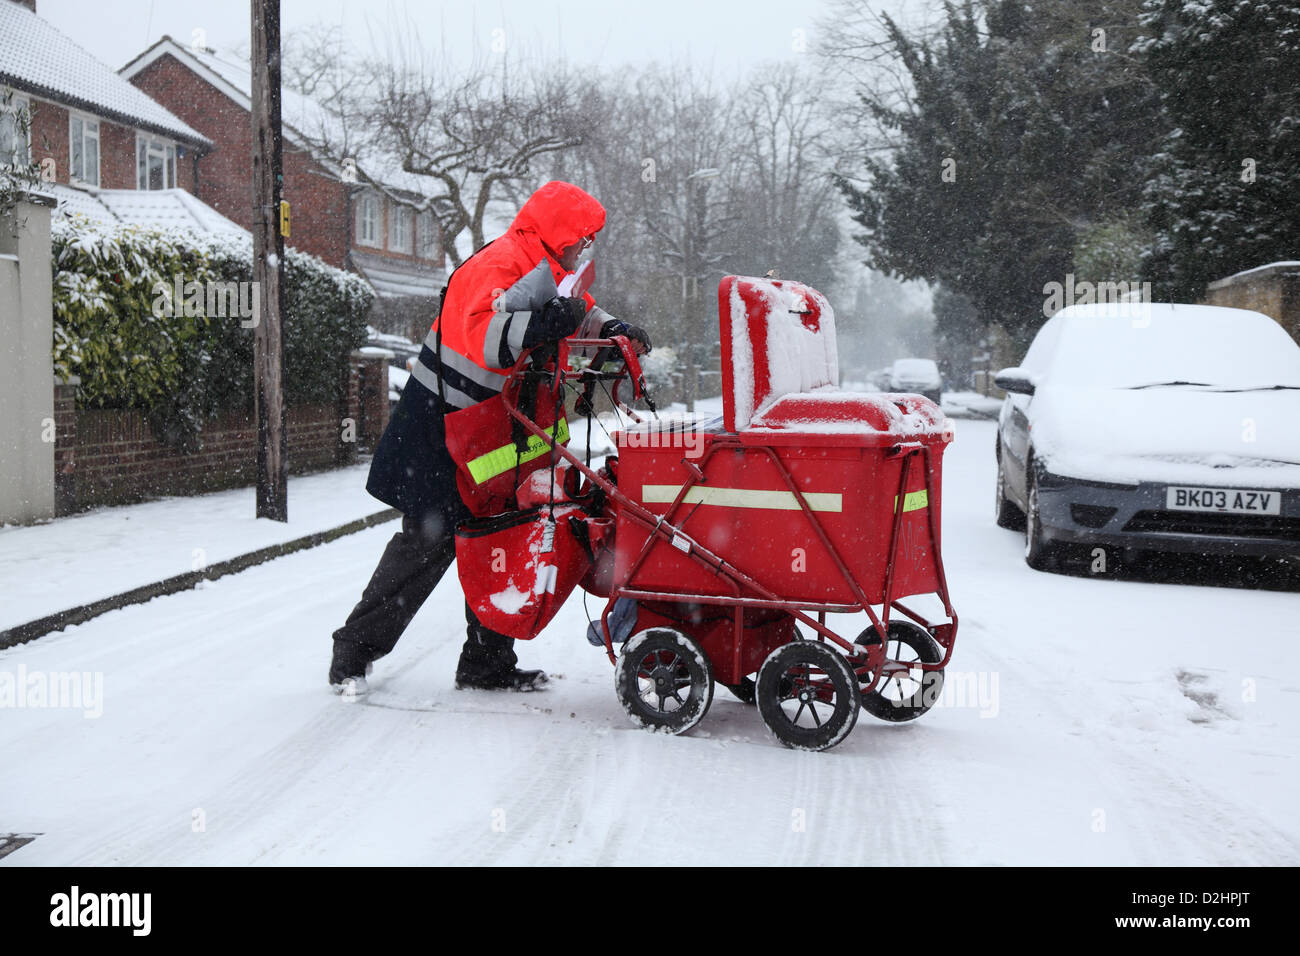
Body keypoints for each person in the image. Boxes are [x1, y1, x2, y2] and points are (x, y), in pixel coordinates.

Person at [328, 181, 651, 696]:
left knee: (502, 537)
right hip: (438, 434)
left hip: (486, 437)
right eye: (581, 239)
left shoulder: (544, 266)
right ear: (559, 232)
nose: (583, 248)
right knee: (424, 548)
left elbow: (575, 308)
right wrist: (545, 323)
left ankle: (486, 663)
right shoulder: (497, 265)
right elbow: (488, 343)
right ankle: (352, 653)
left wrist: (615, 327)